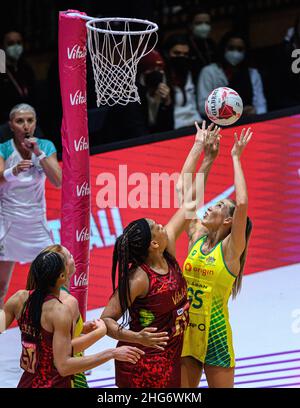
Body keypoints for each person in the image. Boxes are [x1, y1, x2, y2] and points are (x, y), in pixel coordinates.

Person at [101, 123, 221, 388]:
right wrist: (136, 337)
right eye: (157, 226)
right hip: (140, 367)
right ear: (153, 244)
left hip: (169, 360)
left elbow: (191, 202)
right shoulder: (139, 278)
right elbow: (106, 320)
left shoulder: (166, 253)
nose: (163, 226)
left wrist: (204, 152)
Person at [177, 125, 253, 388]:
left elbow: (242, 203)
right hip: (187, 330)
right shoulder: (197, 237)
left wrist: (235, 157)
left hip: (215, 334)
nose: (210, 206)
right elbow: (185, 193)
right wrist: (206, 156)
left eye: (219, 205)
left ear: (230, 220)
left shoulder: (232, 250)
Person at [1, 250, 145, 388]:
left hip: (26, 382)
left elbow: (44, 341)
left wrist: (83, 329)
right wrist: (111, 353)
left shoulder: (18, 298)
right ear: (62, 277)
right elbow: (64, 366)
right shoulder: (59, 311)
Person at [0, 103, 62, 307]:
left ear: (35, 124)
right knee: (1, 286)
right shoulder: (3, 148)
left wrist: (38, 154)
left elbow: (58, 180)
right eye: (20, 121)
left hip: (36, 225)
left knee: (55, 279)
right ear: (11, 125)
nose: (25, 126)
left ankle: (59, 324)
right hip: (8, 224)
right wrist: (13, 171)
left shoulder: (45, 146)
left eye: (29, 120)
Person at [26, 244, 107, 388]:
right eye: (69, 256)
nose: (73, 258)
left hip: (40, 372)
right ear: (61, 270)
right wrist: (100, 333)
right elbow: (67, 348)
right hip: (67, 374)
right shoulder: (67, 302)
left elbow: (49, 335)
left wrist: (81, 327)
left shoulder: (40, 296)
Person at [198, 31, 267, 117]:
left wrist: (255, 111)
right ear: (223, 49)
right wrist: (234, 111)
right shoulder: (209, 72)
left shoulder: (253, 73)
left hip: (249, 120)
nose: (235, 53)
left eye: (240, 49)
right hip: (220, 123)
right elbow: (202, 107)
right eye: (231, 48)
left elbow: (261, 105)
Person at [163, 34, 202, 129]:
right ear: (167, 53)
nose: (181, 57)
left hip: (196, 123)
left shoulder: (191, 73)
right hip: (175, 128)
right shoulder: (162, 76)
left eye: (185, 54)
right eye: (177, 53)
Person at [0, 31, 36, 124]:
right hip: (6, 123)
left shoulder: (26, 68)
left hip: (28, 120)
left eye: (19, 43)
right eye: (11, 43)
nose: (16, 47)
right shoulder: (1, 69)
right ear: (3, 46)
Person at [137, 50, 173, 133]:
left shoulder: (166, 92)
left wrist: (167, 103)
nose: (156, 72)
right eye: (151, 68)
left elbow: (168, 128)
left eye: (159, 68)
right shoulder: (133, 96)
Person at [187, 7, 217, 83]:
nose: (204, 26)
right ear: (190, 25)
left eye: (207, 23)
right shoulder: (185, 44)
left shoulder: (211, 44)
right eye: (199, 23)